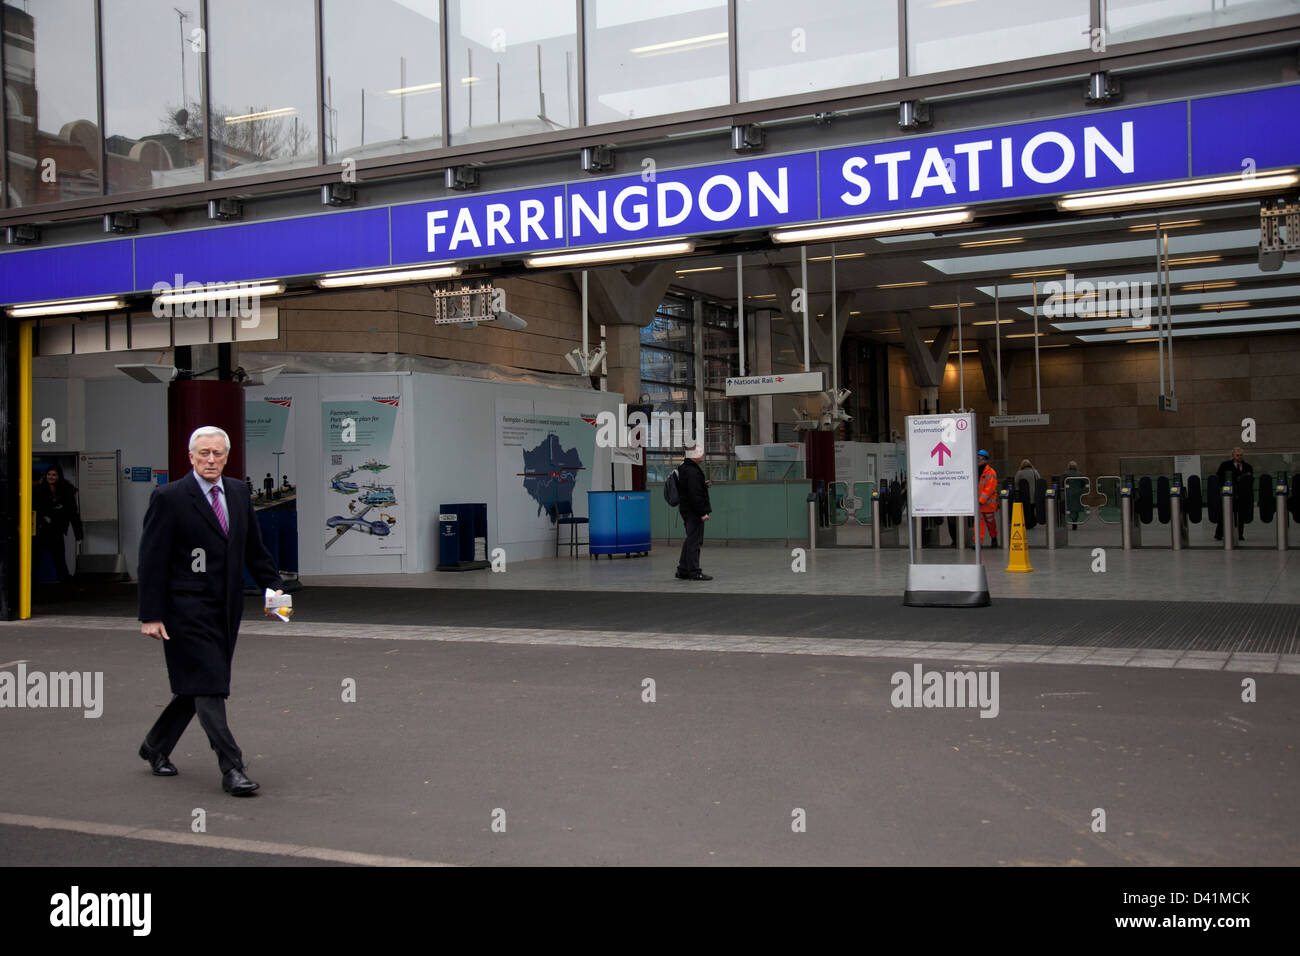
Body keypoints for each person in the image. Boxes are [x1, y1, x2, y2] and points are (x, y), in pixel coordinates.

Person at [138, 426, 284, 797]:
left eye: (217, 453)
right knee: (209, 684)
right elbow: (152, 561)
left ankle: (156, 746)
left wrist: (276, 595)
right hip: (183, 610)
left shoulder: (237, 492)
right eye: (203, 453)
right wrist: (150, 615)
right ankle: (232, 767)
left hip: (225, 608)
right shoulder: (169, 498)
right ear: (190, 457)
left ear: (226, 456)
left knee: (197, 685)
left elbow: (254, 548)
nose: (210, 460)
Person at [33, 464, 83, 588]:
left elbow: (73, 513)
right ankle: (30, 585)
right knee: (34, 559)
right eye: (49, 474)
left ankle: (65, 585)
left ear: (59, 476)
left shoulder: (67, 490)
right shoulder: (38, 490)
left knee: (59, 558)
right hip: (40, 530)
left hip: (56, 530)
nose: (51, 477)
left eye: (54, 475)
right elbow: (35, 509)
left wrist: (78, 534)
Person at [675, 444, 713, 581]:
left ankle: (683, 569)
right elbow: (694, 495)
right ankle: (694, 571)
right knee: (694, 541)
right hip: (693, 511)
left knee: (690, 539)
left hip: (686, 509)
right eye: (700, 452)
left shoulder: (684, 467)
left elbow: (690, 489)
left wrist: (703, 484)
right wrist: (702, 512)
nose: (702, 454)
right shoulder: (692, 471)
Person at [1214, 447, 1253, 541]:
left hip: (1242, 494)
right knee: (1225, 514)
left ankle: (1239, 534)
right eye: (1237, 455)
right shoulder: (1225, 465)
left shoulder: (1248, 466)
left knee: (1241, 515)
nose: (1239, 457)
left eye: (1241, 455)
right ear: (1233, 456)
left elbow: (1251, 480)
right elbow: (1218, 477)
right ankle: (1219, 534)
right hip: (1228, 493)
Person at [976, 449, 999, 548]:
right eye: (977, 458)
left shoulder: (991, 472)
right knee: (978, 525)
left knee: (991, 523)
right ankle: (978, 543)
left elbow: (989, 489)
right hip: (979, 504)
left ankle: (994, 538)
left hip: (987, 505)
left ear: (986, 460)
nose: (978, 460)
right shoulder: (974, 471)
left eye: (981, 458)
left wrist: (980, 501)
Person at [1063, 460, 1084, 530]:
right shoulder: (1080, 474)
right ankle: (1074, 521)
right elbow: (1083, 483)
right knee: (1076, 508)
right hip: (1077, 493)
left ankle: (1071, 519)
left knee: (1069, 506)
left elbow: (1062, 483)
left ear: (1068, 466)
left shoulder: (1065, 474)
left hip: (1068, 492)